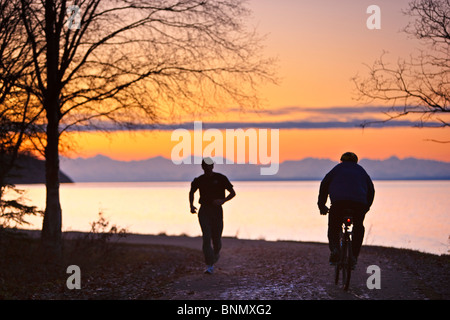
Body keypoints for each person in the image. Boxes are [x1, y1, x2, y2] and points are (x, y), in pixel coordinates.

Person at [317, 152, 375, 267]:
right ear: (356, 161)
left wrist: (322, 206)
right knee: (358, 227)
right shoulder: (361, 171)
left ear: (341, 160)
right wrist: (366, 207)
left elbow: (324, 185)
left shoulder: (337, 169)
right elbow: (371, 190)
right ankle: (353, 256)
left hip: (339, 204)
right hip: (359, 205)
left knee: (334, 227)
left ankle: (335, 250)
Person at [189, 157, 236, 274]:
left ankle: (215, 254)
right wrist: (191, 205)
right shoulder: (199, 180)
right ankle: (209, 265)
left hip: (217, 211)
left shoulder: (221, 178)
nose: (207, 168)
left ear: (213, 166)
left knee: (217, 240)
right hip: (204, 210)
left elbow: (233, 193)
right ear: (202, 167)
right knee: (206, 237)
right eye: (205, 166)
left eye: (209, 166)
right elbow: (191, 192)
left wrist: (223, 200)